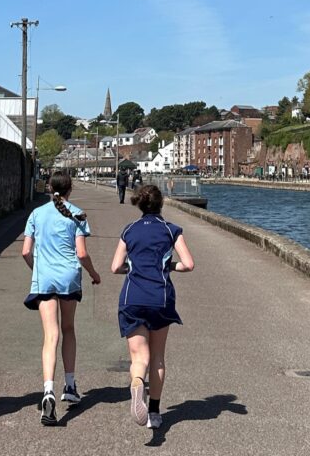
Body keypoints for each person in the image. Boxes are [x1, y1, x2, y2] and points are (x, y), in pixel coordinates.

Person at [22, 171, 103, 426]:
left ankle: (48, 391)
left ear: (49, 189)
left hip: (45, 278)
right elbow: (81, 253)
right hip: (69, 277)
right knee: (68, 329)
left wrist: (38, 269)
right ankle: (69, 385)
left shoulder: (36, 214)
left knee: (50, 335)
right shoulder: (77, 214)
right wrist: (94, 273)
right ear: (70, 189)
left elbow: (25, 251)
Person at [111, 184, 195, 429]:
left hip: (132, 296)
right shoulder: (171, 230)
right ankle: (155, 413)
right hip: (160, 298)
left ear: (140, 204)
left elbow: (115, 267)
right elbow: (188, 264)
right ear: (161, 204)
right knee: (158, 356)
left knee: (139, 356)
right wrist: (168, 267)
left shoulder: (129, 230)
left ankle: (138, 381)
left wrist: (133, 267)